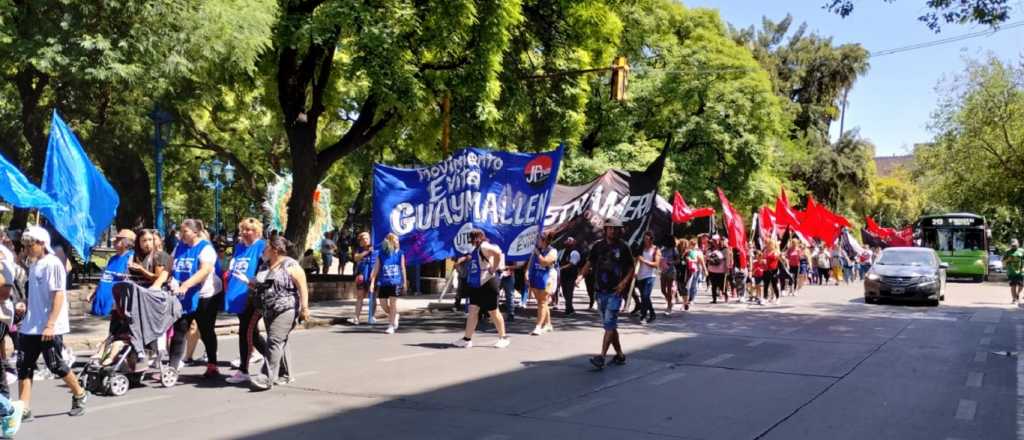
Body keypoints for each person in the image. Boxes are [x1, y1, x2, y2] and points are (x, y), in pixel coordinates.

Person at [16, 226, 88, 419]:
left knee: (55, 364)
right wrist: (25, 305)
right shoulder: (33, 264)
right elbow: (35, 294)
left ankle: (80, 394)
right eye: (26, 245)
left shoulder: (53, 263)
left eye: (31, 245)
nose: (28, 248)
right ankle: (23, 408)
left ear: (42, 244)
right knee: (24, 365)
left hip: (50, 325)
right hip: (31, 325)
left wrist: (50, 324)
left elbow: (58, 295)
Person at [248, 236, 310, 391]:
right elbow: (261, 283)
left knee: (274, 341)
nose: (263, 250)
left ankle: (266, 377)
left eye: (266, 247)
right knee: (280, 341)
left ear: (275, 249)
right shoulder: (265, 265)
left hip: (286, 309)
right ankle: (286, 374)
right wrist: (252, 283)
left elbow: (302, 287)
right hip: (268, 309)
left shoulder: (291, 265)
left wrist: (305, 308)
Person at [168, 219, 222, 379]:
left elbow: (204, 271)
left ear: (196, 232)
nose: (181, 234)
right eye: (181, 231)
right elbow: (170, 265)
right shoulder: (179, 247)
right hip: (184, 295)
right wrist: (169, 280)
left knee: (206, 330)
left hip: (206, 294)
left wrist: (186, 285)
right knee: (180, 329)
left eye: (185, 232)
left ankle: (212, 364)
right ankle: (172, 367)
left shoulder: (206, 249)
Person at [578, 218, 633, 369]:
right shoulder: (598, 246)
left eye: (616, 228)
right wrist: (581, 276)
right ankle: (620, 355)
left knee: (609, 324)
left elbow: (631, 268)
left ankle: (601, 356)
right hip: (600, 291)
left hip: (615, 292)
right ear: (606, 229)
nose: (613, 231)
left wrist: (624, 283)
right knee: (610, 325)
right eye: (610, 228)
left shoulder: (623, 247)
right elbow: (589, 262)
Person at [225, 218, 269, 385]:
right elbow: (234, 267)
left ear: (257, 231)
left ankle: (243, 369)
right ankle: (275, 361)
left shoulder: (261, 246)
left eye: (249, 230)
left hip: (253, 296)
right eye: (243, 229)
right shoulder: (239, 247)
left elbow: (266, 269)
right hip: (238, 294)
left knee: (246, 332)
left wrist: (254, 281)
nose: (245, 232)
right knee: (253, 334)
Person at [452, 230, 511, 348]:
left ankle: (503, 337)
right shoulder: (476, 249)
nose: (471, 242)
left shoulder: (484, 246)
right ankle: (467, 339)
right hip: (476, 284)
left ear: (477, 238)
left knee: (493, 311)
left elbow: (498, 253)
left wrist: (493, 269)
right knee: (473, 310)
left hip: (488, 283)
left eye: (472, 239)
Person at [89, 229, 136, 317]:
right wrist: (93, 292)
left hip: (114, 305)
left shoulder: (130, 257)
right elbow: (105, 276)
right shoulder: (113, 258)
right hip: (100, 302)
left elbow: (128, 279)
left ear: (125, 242)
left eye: (117, 240)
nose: (114, 242)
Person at [370, 233, 406, 334]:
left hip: (395, 282)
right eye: (395, 240)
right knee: (383, 304)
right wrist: (372, 282)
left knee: (393, 303)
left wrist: (405, 282)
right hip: (383, 282)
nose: (397, 242)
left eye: (398, 240)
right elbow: (376, 269)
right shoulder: (381, 254)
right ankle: (395, 315)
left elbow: (403, 268)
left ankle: (390, 326)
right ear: (390, 241)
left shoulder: (400, 253)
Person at [526, 233, 558, 335]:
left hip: (548, 277)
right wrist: (527, 273)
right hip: (537, 276)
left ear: (544, 240)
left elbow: (544, 262)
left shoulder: (553, 251)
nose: (536, 241)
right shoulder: (536, 250)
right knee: (541, 301)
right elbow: (530, 263)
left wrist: (537, 253)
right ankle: (548, 324)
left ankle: (538, 326)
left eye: (538, 239)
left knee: (543, 301)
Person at [635, 231, 660, 324]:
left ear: (651, 239)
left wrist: (644, 261)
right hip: (640, 276)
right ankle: (652, 313)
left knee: (645, 296)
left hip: (650, 276)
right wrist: (635, 271)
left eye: (648, 239)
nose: (646, 241)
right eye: (644, 239)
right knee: (644, 297)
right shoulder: (640, 249)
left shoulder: (656, 250)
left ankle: (643, 315)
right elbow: (636, 260)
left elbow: (656, 264)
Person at [352, 232, 376, 324]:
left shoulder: (375, 249)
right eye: (363, 238)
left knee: (372, 297)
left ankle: (371, 316)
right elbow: (356, 258)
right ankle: (356, 317)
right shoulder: (359, 249)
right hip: (361, 275)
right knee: (359, 296)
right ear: (360, 241)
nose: (365, 240)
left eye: (367, 238)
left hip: (372, 275)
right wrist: (366, 252)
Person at [559, 237, 582, 316]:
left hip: (571, 275)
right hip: (563, 275)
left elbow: (572, 263)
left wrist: (562, 268)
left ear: (573, 243)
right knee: (565, 292)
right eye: (566, 240)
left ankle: (568, 309)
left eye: (569, 241)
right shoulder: (564, 251)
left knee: (569, 292)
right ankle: (571, 308)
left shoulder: (574, 252)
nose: (566, 242)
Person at [682, 238, 707, 311]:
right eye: (691, 244)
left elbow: (701, 261)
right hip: (688, 270)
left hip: (696, 270)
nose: (692, 246)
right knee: (688, 285)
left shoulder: (698, 252)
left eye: (694, 244)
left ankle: (691, 299)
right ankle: (687, 298)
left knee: (694, 284)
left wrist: (705, 270)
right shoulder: (687, 251)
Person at [660, 236, 678, 315]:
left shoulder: (674, 249)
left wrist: (671, 262)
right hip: (663, 270)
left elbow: (678, 260)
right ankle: (670, 301)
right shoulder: (662, 249)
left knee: (669, 289)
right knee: (663, 289)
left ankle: (669, 307)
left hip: (671, 270)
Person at [706, 238, 728, 303]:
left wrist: (727, 268)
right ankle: (714, 299)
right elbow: (707, 258)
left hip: (721, 270)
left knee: (722, 285)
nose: (715, 243)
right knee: (714, 285)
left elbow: (727, 259)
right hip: (712, 270)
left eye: (716, 241)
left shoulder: (724, 249)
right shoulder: (710, 250)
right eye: (714, 241)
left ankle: (725, 295)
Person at [1005, 239, 1024, 304]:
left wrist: (1023, 268)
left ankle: (1017, 294)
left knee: (1021, 286)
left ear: (1018, 244)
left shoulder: (1022, 251)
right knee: (1013, 286)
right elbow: (1004, 261)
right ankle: (1014, 299)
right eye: (1012, 245)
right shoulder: (1008, 252)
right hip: (1011, 272)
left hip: (1020, 272)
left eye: (1015, 245)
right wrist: (1008, 259)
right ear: (1010, 245)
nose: (1014, 246)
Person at [763, 239, 782, 304]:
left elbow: (779, 258)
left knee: (774, 285)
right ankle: (765, 298)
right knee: (766, 285)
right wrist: (763, 261)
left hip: (774, 270)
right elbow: (763, 258)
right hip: (766, 270)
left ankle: (777, 298)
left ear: (773, 245)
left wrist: (779, 255)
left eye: (770, 244)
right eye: (768, 244)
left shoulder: (776, 252)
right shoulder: (765, 251)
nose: (768, 245)